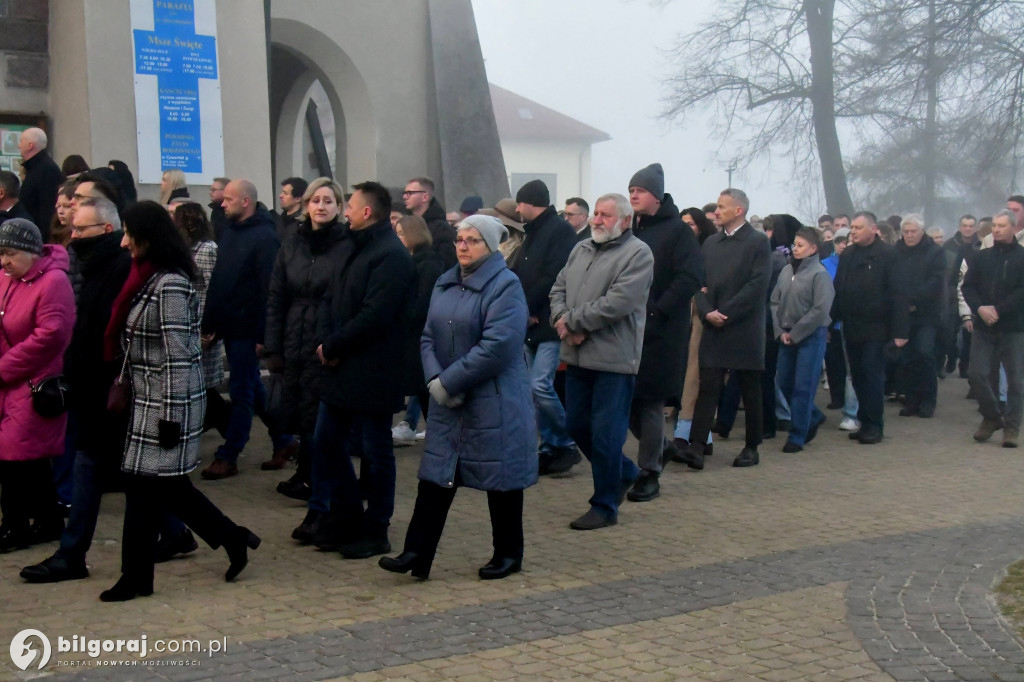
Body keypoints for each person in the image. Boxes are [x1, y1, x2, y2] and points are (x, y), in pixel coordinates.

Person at [98, 201, 260, 602]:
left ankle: (135, 578)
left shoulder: (168, 283)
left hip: (164, 404)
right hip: (148, 398)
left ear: (147, 237)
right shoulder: (148, 278)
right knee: (166, 489)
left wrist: (169, 417)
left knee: (144, 489)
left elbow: (177, 354)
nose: (123, 241)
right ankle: (232, 538)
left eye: (128, 234)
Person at [379, 214, 535, 579]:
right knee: (436, 475)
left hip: (494, 398)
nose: (463, 246)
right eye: (459, 240)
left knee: (501, 477)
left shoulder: (505, 285)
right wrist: (434, 378)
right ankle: (416, 553)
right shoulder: (444, 282)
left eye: (472, 240)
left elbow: (498, 345)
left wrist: (448, 382)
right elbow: (428, 334)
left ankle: (509, 553)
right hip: (448, 399)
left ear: (491, 245)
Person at [19, 198, 132, 582]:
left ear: (105, 230)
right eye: (72, 229)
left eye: (81, 229)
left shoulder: (117, 267)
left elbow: (111, 331)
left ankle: (71, 553)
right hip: (90, 385)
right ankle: (190, 533)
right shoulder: (89, 263)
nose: (73, 236)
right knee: (111, 469)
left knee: (104, 468)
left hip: (109, 388)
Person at [310, 181, 414, 558]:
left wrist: (334, 345)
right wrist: (326, 343)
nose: (345, 211)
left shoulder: (390, 256)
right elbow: (334, 300)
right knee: (325, 442)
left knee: (375, 451)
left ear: (367, 212)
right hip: (341, 366)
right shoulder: (354, 247)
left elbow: (376, 315)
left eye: (350, 205)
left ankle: (376, 527)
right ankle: (347, 513)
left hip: (373, 368)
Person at [550, 193, 654, 529]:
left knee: (607, 434)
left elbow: (618, 302)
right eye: (595, 213)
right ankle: (624, 472)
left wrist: (575, 323)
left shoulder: (638, 253)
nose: (597, 220)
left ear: (625, 221)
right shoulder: (580, 249)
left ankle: (605, 506)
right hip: (578, 356)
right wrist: (563, 320)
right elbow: (557, 289)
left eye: (606, 215)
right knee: (576, 425)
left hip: (614, 359)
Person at [262, 178, 351, 511]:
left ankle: (322, 484)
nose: (321, 206)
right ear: (307, 205)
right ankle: (306, 473)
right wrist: (272, 346)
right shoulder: (292, 242)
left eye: (329, 201)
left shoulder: (347, 244)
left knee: (319, 415)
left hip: (325, 333)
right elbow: (276, 294)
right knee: (297, 409)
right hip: (293, 331)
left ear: (339, 207)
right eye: (316, 200)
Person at [201, 179, 294, 479]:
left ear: (245, 201)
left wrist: (263, 336)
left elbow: (270, 291)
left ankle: (229, 454)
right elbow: (220, 281)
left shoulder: (265, 238)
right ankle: (284, 441)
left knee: (241, 391)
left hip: (247, 328)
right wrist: (211, 323)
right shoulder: (229, 233)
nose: (221, 204)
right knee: (252, 389)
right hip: (230, 324)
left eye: (228, 199)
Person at [624, 164, 703, 502]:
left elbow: (690, 277)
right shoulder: (632, 230)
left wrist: (658, 309)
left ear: (656, 195)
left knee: (651, 402)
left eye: (639, 190)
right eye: (630, 191)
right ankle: (663, 448)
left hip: (661, 331)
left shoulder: (677, 232)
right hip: (629, 330)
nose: (633, 196)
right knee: (627, 402)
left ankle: (649, 472)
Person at [681, 189, 771, 470]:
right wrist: (707, 310)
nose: (716, 212)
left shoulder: (757, 242)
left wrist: (727, 312)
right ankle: (697, 446)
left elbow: (757, 285)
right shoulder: (711, 243)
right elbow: (699, 281)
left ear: (738, 210)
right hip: (713, 324)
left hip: (744, 326)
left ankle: (751, 446)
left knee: (749, 388)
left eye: (721, 207)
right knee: (708, 387)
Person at [0, 218, 74, 552]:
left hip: (34, 382)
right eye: (1, 254)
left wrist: (4, 368)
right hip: (10, 380)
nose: (4, 261)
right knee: (30, 456)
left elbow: (51, 335)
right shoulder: (7, 278)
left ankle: (14, 527)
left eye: (10, 253)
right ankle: (48, 520)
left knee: (13, 455)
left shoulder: (53, 281)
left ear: (31, 252)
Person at [512, 179, 581, 474]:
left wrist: (529, 307)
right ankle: (551, 445)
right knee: (530, 389)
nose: (517, 209)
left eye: (519, 203)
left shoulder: (559, 231)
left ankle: (567, 441)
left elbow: (555, 275)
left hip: (550, 322)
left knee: (540, 385)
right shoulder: (533, 233)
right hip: (531, 323)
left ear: (530, 203)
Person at [831, 211, 899, 444]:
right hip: (851, 326)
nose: (854, 232)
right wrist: (831, 320)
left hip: (877, 328)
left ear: (873, 229)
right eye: (853, 228)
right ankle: (863, 421)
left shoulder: (888, 255)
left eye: (859, 228)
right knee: (858, 375)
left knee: (872, 375)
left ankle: (874, 425)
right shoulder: (848, 254)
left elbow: (898, 294)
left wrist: (900, 332)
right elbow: (838, 288)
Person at [961, 209, 1024, 447]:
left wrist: (999, 309)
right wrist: (980, 308)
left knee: (1016, 381)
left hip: (1013, 328)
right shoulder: (982, 257)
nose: (996, 229)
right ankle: (991, 417)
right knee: (977, 374)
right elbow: (968, 287)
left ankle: (1012, 427)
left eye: (1001, 225)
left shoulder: (1021, 257)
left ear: (1013, 228)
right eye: (994, 225)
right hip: (984, 326)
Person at [771, 227, 834, 452]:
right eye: (794, 244)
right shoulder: (786, 271)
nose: (795, 249)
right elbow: (775, 302)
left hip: (810, 336)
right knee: (785, 384)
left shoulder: (820, 274)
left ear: (813, 249)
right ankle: (813, 416)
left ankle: (797, 435)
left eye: (800, 245)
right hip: (786, 334)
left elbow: (820, 310)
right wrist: (781, 332)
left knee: (804, 386)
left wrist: (796, 333)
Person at [172, 202, 227, 441]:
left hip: (203, 325)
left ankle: (227, 425)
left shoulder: (207, 249)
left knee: (201, 385)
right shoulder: (186, 249)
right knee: (199, 385)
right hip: (191, 324)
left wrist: (208, 329)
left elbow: (211, 290)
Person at [391, 215, 445, 446]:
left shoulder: (429, 264)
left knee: (425, 388)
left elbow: (423, 303)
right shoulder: (411, 261)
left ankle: (438, 432)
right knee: (420, 388)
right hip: (410, 334)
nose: (398, 237)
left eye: (402, 233)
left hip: (420, 334)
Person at [670, 208, 718, 455]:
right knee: (681, 373)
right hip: (679, 314)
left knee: (694, 374)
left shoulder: (709, 248)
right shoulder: (678, 247)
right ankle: (702, 436)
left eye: (691, 223)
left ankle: (686, 432)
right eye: (683, 223)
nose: (686, 227)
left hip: (700, 315)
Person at [892, 214, 946, 418]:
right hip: (902, 314)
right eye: (906, 232)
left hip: (927, 314)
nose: (909, 235)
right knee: (906, 358)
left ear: (921, 232)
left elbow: (936, 281)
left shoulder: (935, 252)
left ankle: (928, 400)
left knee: (924, 353)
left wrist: (913, 299)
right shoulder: (896, 252)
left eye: (913, 231)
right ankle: (911, 399)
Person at [18, 128, 65, 231]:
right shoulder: (34, 168)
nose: (18, 146)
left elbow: (48, 210)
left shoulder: (47, 169)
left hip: (40, 234)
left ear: (30, 146)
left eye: (21, 141)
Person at [403, 177, 456, 268]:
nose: (404, 197)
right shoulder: (406, 223)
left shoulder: (441, 229)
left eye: (410, 193)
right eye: (404, 193)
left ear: (425, 197)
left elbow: (447, 263)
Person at [47, 181, 75, 247]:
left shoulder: (77, 237)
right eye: (58, 206)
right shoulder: (56, 231)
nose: (60, 211)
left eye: (66, 206)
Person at [207, 177, 229, 242]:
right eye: (210, 189)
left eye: (213, 190)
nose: (210, 192)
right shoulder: (216, 210)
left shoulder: (228, 211)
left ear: (225, 191)